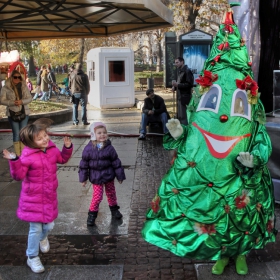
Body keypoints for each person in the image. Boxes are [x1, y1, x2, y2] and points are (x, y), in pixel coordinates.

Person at [142, 5, 276, 277]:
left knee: (240, 215)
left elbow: (261, 139)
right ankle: (223, 255)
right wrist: (181, 136)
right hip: (212, 174)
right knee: (216, 215)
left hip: (238, 175)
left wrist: (257, 158)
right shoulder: (202, 104)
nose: (225, 116)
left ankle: (240, 254)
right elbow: (194, 135)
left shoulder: (252, 110)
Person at [2, 118, 73, 274]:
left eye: (45, 136)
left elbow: (62, 159)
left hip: (48, 197)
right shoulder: (27, 156)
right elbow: (18, 176)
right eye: (40, 139)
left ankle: (42, 237)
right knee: (35, 228)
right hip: (32, 199)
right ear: (31, 142)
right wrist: (14, 160)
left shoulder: (53, 150)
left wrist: (67, 148)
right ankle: (32, 256)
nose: (45, 139)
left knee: (49, 225)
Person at [78, 122, 126, 226]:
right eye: (99, 133)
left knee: (111, 193)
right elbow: (83, 164)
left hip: (108, 175)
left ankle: (114, 210)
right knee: (97, 197)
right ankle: (92, 214)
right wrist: (83, 178)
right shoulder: (89, 149)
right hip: (96, 178)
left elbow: (116, 162)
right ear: (93, 135)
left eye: (104, 132)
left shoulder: (109, 148)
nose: (102, 135)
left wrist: (120, 175)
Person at [0, 70, 32, 156]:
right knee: (16, 134)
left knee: (23, 134)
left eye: (19, 77)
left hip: (24, 112)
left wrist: (21, 101)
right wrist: (12, 102)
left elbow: (29, 98)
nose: (17, 79)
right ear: (11, 78)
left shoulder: (24, 86)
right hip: (12, 112)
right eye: (15, 77)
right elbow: (2, 100)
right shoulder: (6, 87)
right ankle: (18, 155)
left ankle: (23, 154)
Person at [172, 56, 194, 125]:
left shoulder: (187, 71)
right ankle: (182, 129)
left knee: (184, 115)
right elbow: (180, 82)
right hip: (180, 95)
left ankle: (185, 129)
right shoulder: (180, 71)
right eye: (175, 63)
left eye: (177, 62)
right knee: (181, 115)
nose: (176, 64)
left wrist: (178, 85)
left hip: (185, 96)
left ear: (182, 62)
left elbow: (189, 84)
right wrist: (175, 87)